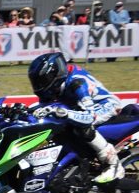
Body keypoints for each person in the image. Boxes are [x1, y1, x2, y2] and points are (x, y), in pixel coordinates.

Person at [28, 52, 124, 183]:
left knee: (82, 127)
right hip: (80, 107)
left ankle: (113, 165)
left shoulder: (77, 83)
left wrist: (65, 113)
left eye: (42, 82)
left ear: (53, 75)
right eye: (36, 83)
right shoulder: (54, 86)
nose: (38, 86)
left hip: (105, 105)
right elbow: (43, 107)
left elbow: (89, 116)